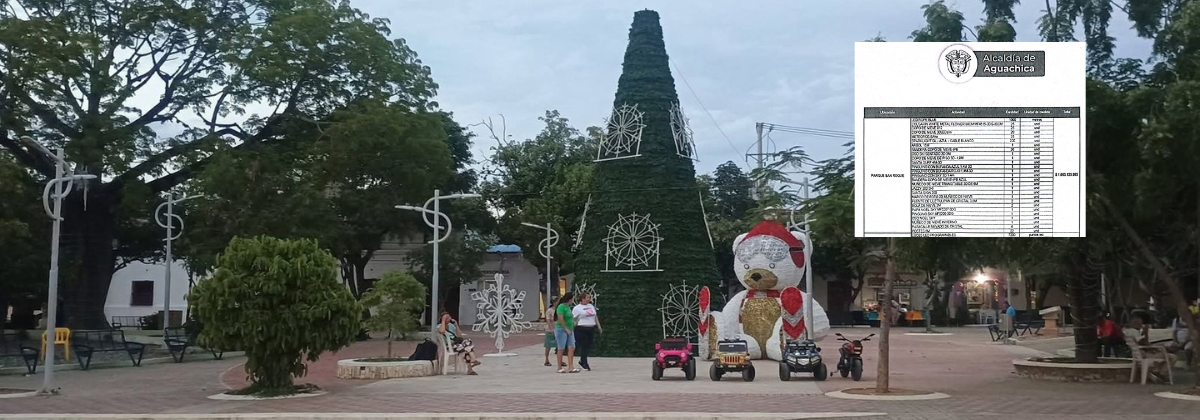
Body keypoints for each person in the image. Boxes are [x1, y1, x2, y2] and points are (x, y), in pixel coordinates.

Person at [439, 310, 480, 375]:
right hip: (450, 345)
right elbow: (441, 331)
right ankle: (471, 364)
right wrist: (443, 320)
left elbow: (459, 336)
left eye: (449, 317)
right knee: (465, 348)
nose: (448, 319)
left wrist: (456, 325)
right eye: (447, 318)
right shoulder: (439, 326)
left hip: (458, 344)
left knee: (467, 344)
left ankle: (471, 365)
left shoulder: (451, 326)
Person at [572, 292, 601, 371]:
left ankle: (583, 360)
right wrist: (572, 328)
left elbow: (595, 316)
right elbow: (574, 319)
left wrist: (598, 326)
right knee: (584, 345)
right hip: (581, 328)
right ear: (582, 299)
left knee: (588, 346)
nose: (589, 299)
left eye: (589, 298)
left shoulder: (591, 306)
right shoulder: (577, 308)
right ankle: (584, 361)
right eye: (587, 298)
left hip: (591, 327)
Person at [554, 292, 579, 373]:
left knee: (572, 347)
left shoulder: (568, 307)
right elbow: (561, 319)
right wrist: (566, 328)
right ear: (569, 299)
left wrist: (574, 322)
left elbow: (569, 318)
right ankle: (559, 367)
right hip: (561, 329)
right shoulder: (561, 307)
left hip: (570, 329)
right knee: (561, 348)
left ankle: (571, 367)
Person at [543, 297, 558, 367]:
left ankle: (561, 360)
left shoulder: (559, 310)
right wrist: (552, 328)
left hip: (558, 329)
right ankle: (546, 359)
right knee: (548, 345)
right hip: (550, 330)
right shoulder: (550, 310)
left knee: (560, 345)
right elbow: (548, 320)